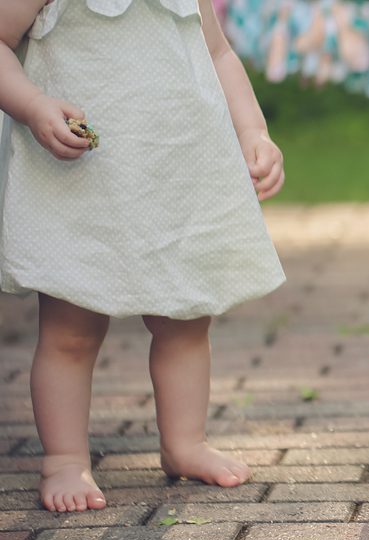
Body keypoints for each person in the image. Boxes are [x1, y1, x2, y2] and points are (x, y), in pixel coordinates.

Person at [0, 0, 287, 512]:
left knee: (186, 320)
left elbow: (218, 53)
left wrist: (253, 132)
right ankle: (64, 458)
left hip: (175, 169)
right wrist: (33, 104)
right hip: (81, 179)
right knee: (71, 330)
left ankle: (184, 442)